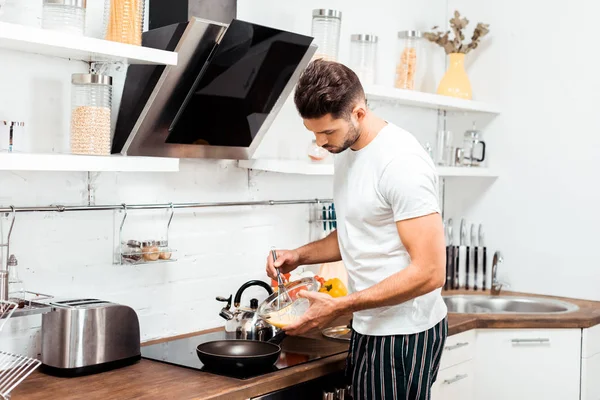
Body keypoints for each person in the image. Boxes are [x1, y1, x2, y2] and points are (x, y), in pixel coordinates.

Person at [265, 59, 448, 400]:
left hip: (403, 333)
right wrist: (299, 256)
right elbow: (357, 230)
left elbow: (431, 271)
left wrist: (339, 306)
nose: (320, 142)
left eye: (328, 132)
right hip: (369, 326)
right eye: (314, 132)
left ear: (359, 113)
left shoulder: (401, 163)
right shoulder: (347, 149)